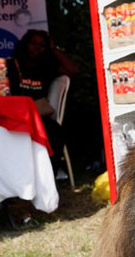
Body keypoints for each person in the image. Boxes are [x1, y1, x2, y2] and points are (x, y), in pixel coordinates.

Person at [7, 29, 80, 180]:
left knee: (56, 132)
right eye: (33, 44)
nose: (37, 48)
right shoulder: (12, 66)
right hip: (15, 116)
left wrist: (54, 50)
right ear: (25, 45)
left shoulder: (46, 67)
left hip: (37, 116)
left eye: (42, 45)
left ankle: (48, 179)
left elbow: (73, 70)